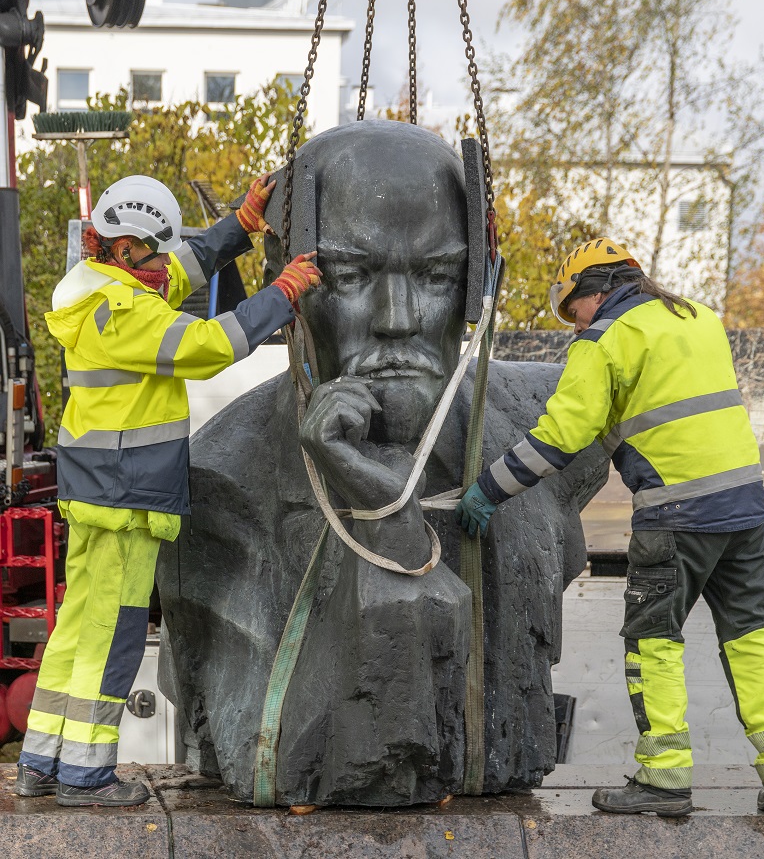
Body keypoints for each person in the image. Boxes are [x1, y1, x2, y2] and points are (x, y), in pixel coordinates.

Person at [156, 120, 608, 804]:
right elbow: (270, 744)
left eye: (434, 275)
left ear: (474, 286)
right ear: (290, 285)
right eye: (350, 274)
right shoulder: (219, 483)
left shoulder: (553, 423)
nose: (398, 318)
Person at [14, 173, 321, 808]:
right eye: (152, 252)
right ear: (124, 248)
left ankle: (41, 762)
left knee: (76, 630)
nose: (162, 264)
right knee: (114, 635)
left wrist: (240, 224)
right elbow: (210, 345)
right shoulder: (121, 313)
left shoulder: (108, 288)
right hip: (125, 499)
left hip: (101, 491)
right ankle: (85, 776)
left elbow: (182, 267)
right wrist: (281, 294)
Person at [456, 237, 764, 818]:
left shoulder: (604, 339)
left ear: (594, 290)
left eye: (570, 305)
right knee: (753, 638)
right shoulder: (699, 319)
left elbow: (560, 434)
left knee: (653, 640)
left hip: (676, 514)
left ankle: (665, 777)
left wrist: (488, 490)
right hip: (747, 508)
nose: (572, 320)